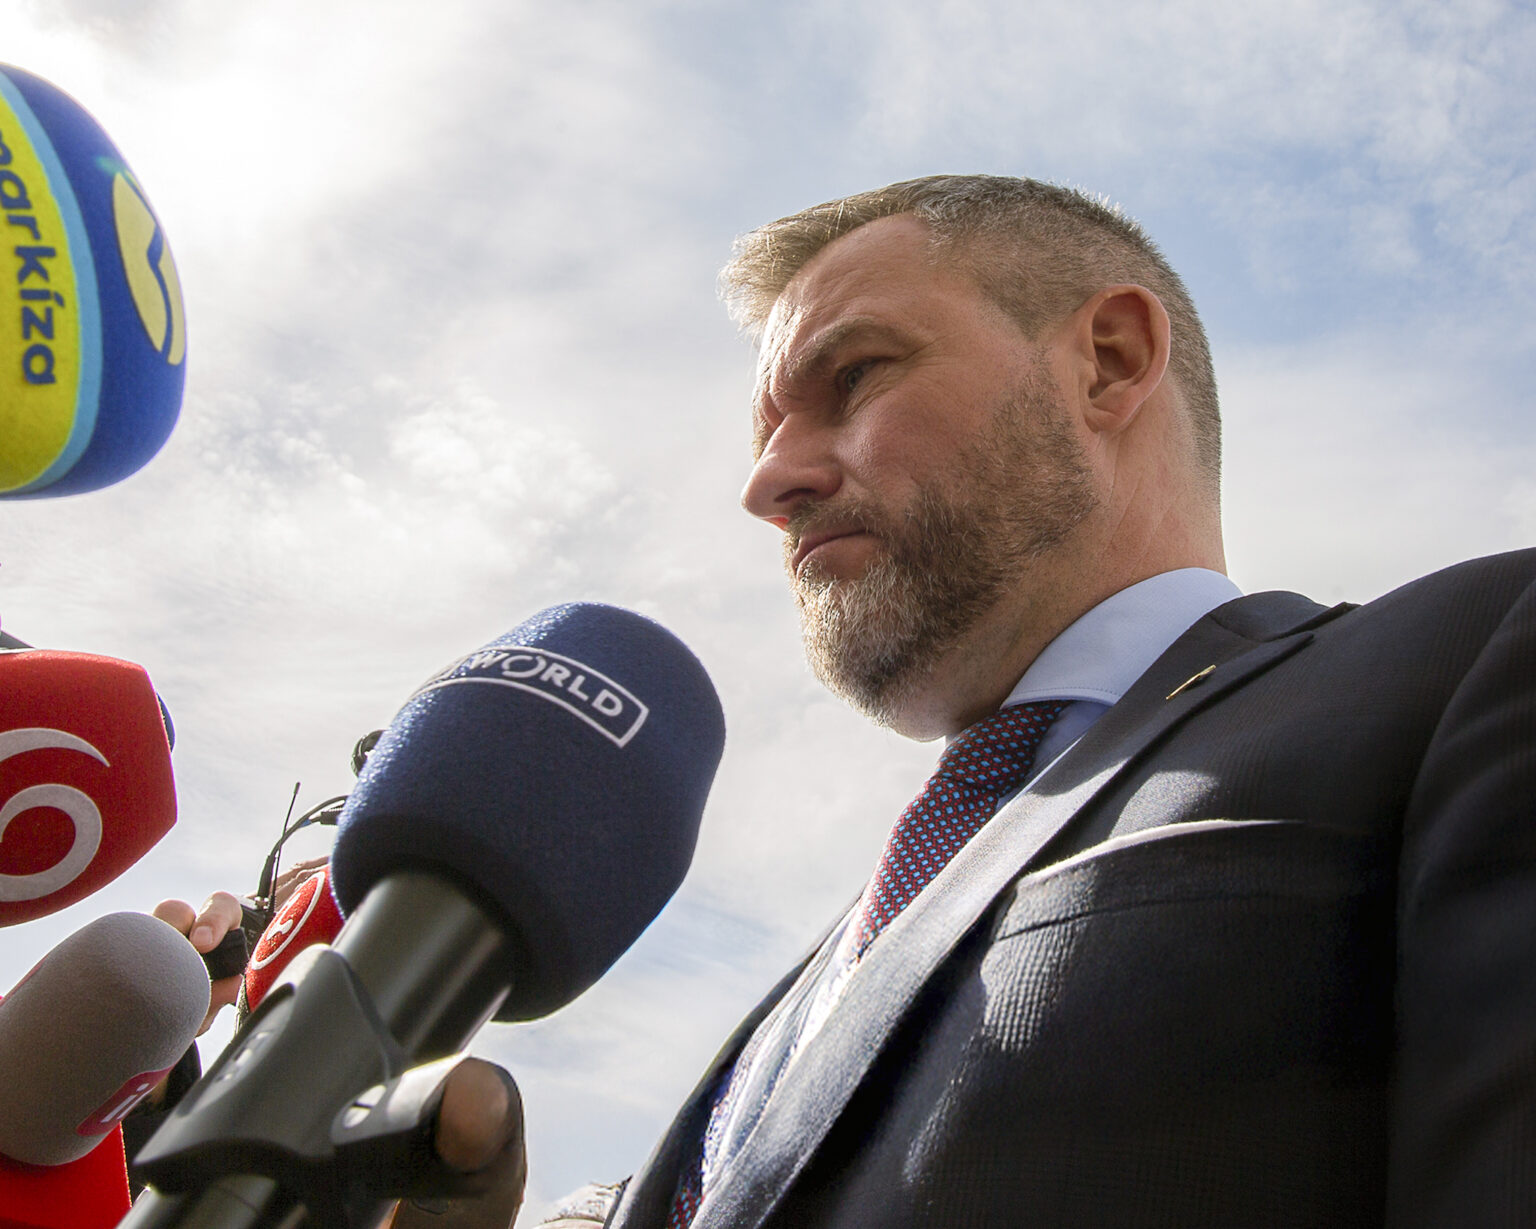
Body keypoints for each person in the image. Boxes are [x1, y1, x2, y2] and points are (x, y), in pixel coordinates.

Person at [583, 174, 1536, 1227]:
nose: (768, 482)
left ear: (1109, 361)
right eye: (764, 432)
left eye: (852, 374)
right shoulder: (835, 962)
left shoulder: (1475, 656)